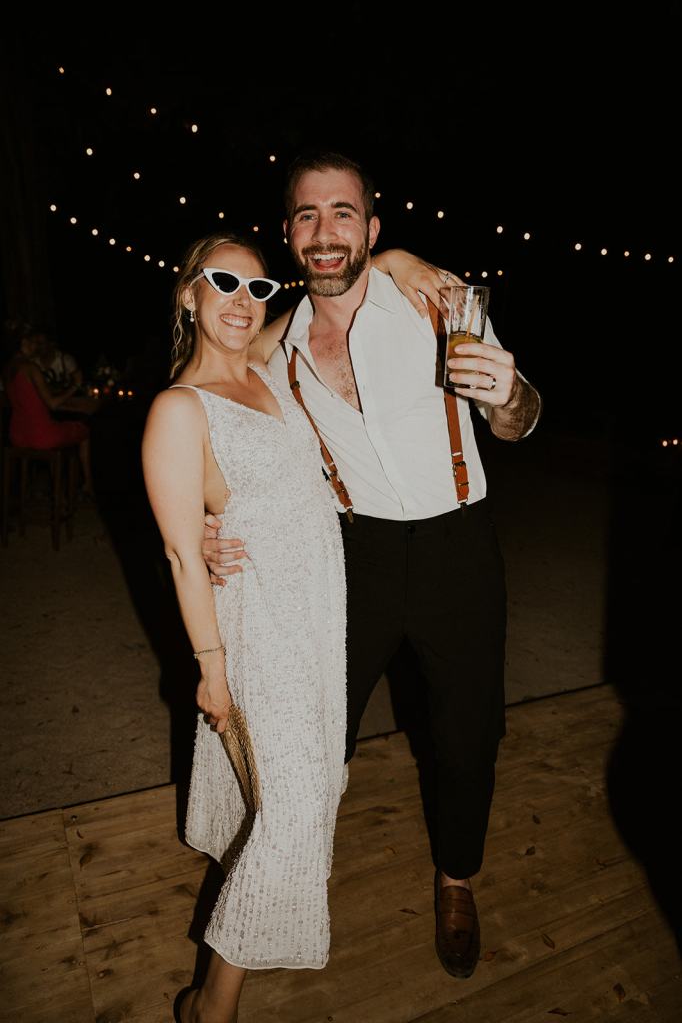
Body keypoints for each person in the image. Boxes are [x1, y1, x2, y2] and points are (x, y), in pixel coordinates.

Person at [203, 152, 542, 980]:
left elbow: (522, 418)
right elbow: (212, 424)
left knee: (467, 734)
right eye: (308, 214)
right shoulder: (275, 351)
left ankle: (456, 877)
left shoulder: (436, 303)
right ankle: (286, 863)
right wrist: (206, 521)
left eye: (344, 213)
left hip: (458, 543)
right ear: (289, 234)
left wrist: (507, 398)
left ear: (373, 228)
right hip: (352, 553)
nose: (325, 231)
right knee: (317, 727)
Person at [142, 233, 349, 1023]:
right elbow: (180, 553)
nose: (242, 301)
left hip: (318, 616)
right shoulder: (178, 408)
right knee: (294, 815)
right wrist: (211, 666)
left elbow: (322, 299)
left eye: (257, 289)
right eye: (223, 282)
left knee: (312, 785)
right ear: (188, 293)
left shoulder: (263, 368)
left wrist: (393, 261)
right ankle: (211, 1006)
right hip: (258, 626)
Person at [4, 325, 94, 497]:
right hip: (41, 435)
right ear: (23, 343)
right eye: (34, 343)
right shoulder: (31, 368)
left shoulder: (8, 368)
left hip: (17, 435)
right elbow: (52, 404)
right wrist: (75, 385)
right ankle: (87, 484)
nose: (37, 347)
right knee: (84, 431)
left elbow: (29, 401)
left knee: (59, 428)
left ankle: (49, 487)